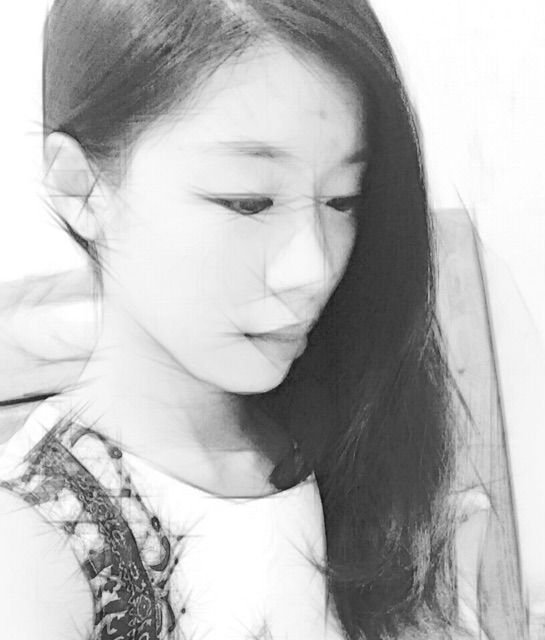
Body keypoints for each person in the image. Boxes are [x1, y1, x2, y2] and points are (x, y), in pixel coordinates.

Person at [0, 1, 501, 638]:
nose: (312, 268)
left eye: (341, 200)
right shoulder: (35, 545)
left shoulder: (348, 431)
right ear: (81, 188)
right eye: (248, 201)